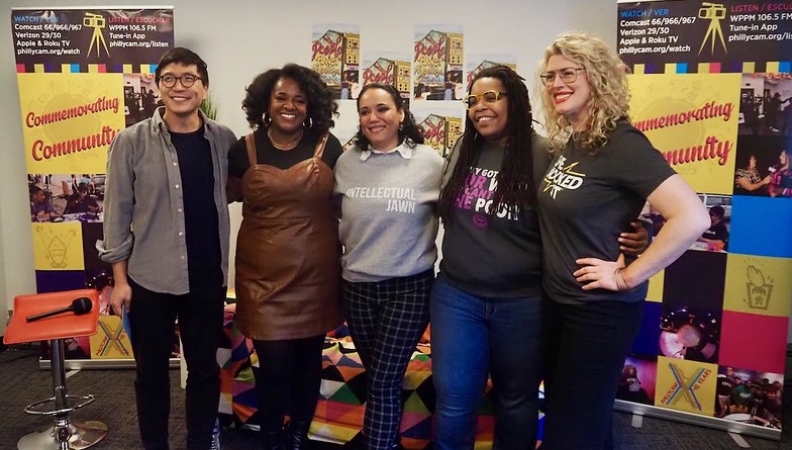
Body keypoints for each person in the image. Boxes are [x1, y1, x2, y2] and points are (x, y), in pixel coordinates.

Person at [432, 65, 649, 450]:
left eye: (491, 97)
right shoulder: (461, 151)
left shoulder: (547, 153)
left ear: (514, 101)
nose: (479, 107)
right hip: (457, 297)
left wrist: (634, 235)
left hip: (523, 301)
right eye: (473, 100)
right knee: (453, 400)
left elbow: (583, 208)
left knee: (517, 400)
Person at [535, 32, 709, 450]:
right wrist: (639, 231)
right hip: (560, 304)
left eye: (568, 73)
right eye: (549, 76)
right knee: (583, 420)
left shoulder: (621, 142)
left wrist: (628, 277)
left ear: (595, 76)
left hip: (599, 313)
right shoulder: (575, 140)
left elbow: (692, 217)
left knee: (570, 430)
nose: (556, 83)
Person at [98, 47, 236, 450]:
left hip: (206, 279)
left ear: (204, 86)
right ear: (158, 87)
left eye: (189, 78)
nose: (180, 87)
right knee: (152, 373)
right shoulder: (131, 141)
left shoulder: (222, 140)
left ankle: (198, 443)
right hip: (149, 281)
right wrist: (119, 281)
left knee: (205, 371)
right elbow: (116, 214)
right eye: (170, 79)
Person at [227, 63, 343, 450]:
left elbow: (350, 204)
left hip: (316, 278)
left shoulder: (331, 146)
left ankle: (297, 438)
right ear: (266, 102)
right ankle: (273, 437)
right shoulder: (242, 149)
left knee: (310, 362)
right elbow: (213, 198)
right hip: (262, 282)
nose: (289, 106)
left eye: (299, 99)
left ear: (311, 106)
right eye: (281, 97)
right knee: (273, 364)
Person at [333, 82, 443, 450]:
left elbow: (459, 215)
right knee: (381, 375)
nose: (373, 118)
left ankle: (378, 444)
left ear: (400, 112)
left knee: (382, 378)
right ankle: (386, 438)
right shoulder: (346, 163)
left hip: (409, 287)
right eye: (365, 111)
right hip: (357, 287)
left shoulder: (429, 162)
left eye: (382, 109)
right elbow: (332, 216)